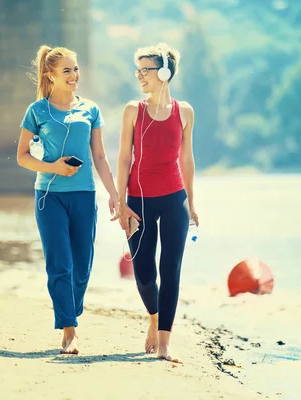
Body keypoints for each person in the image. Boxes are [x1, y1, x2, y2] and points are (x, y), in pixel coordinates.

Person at [16, 45, 119, 354]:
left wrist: (115, 195)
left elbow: (99, 157)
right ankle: (69, 330)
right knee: (60, 264)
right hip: (49, 197)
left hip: (85, 196)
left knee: (83, 266)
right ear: (51, 75)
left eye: (76, 69)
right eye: (67, 70)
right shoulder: (37, 111)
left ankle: (69, 312)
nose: (74, 75)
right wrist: (54, 168)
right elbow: (22, 156)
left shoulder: (90, 109)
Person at [113, 43, 199, 363]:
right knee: (144, 273)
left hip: (174, 198)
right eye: (138, 70)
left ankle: (164, 344)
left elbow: (186, 160)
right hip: (139, 200)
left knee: (170, 269)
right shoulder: (132, 110)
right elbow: (124, 158)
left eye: (145, 70)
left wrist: (191, 203)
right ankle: (153, 319)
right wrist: (121, 202)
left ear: (164, 73)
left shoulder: (185, 111)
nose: (139, 76)